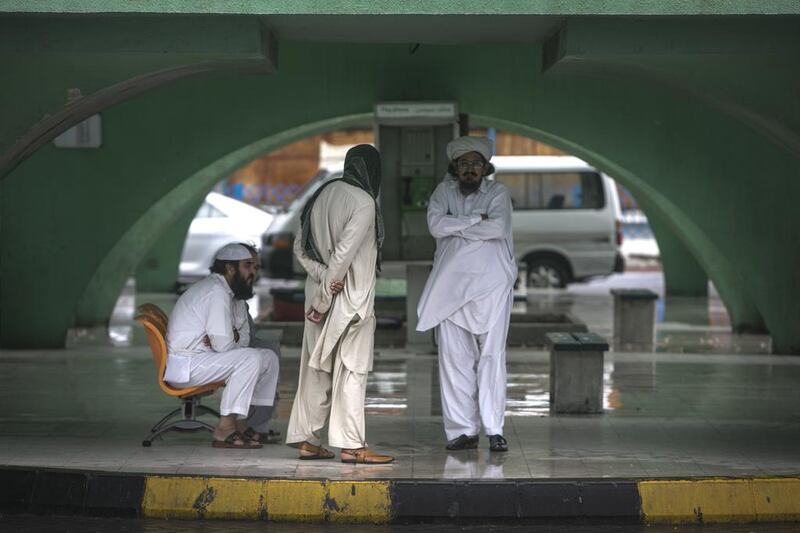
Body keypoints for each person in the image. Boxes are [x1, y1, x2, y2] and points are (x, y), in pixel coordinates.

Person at [285, 144, 394, 464]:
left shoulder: (322, 193)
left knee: (314, 369)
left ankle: (306, 439)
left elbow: (299, 247)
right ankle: (351, 445)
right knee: (351, 371)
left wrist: (320, 284)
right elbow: (342, 256)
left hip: (320, 291)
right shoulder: (364, 202)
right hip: (350, 300)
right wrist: (324, 298)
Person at [416, 136, 516, 453]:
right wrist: (475, 221)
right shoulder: (443, 192)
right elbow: (434, 226)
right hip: (450, 290)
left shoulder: (498, 193)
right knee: (454, 361)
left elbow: (497, 229)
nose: (470, 169)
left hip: (492, 288)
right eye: (464, 164)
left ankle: (494, 429)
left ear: (486, 167)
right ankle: (462, 431)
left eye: (475, 163)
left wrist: (455, 226)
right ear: (454, 167)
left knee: (491, 358)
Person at [164, 243, 280, 449]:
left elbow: (241, 340)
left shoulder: (234, 294)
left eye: (255, 267)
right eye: (248, 265)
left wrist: (230, 338)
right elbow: (225, 346)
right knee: (250, 358)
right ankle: (225, 428)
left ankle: (248, 425)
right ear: (230, 268)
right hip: (188, 365)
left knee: (268, 356)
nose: (253, 272)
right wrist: (229, 339)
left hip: (205, 359)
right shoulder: (215, 292)